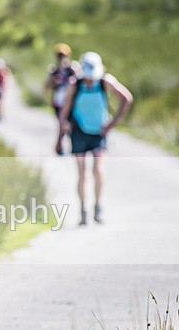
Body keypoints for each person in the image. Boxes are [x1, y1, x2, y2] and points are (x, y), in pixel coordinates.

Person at [56, 51, 133, 225]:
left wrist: (113, 123)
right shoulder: (74, 85)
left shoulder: (106, 82)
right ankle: (83, 210)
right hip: (79, 131)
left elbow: (126, 98)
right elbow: (64, 111)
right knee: (82, 173)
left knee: (98, 170)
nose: (90, 80)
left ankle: (98, 207)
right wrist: (59, 138)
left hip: (100, 132)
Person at [46, 43, 79, 154]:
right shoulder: (53, 70)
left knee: (66, 124)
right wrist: (53, 81)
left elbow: (79, 81)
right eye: (60, 56)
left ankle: (62, 145)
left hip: (70, 101)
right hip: (59, 102)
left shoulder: (72, 68)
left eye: (63, 55)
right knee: (62, 123)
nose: (62, 58)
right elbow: (47, 87)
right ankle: (60, 146)